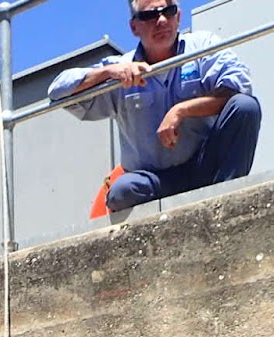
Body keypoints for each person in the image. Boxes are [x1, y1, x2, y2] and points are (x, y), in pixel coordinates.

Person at [49, 0, 260, 211]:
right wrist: (108, 72)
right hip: (155, 180)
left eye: (168, 12)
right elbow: (57, 91)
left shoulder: (202, 45)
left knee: (245, 107)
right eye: (150, 16)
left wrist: (182, 110)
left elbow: (239, 88)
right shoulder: (122, 69)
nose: (161, 20)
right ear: (134, 27)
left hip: (205, 164)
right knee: (120, 192)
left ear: (178, 17)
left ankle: (226, 206)